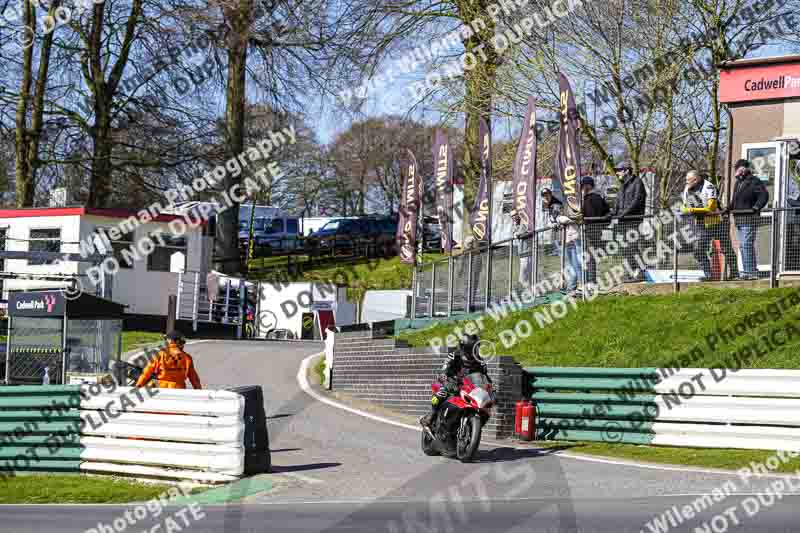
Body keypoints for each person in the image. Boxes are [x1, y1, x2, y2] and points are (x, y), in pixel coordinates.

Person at [420, 335, 487, 431]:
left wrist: (490, 386)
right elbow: (444, 369)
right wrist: (445, 378)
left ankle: (472, 427)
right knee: (441, 394)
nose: (475, 350)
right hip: (452, 382)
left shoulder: (479, 360)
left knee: (484, 403)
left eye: (476, 347)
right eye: (473, 348)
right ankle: (431, 415)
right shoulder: (454, 355)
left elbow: (484, 377)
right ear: (465, 347)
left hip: (468, 386)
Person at [680, 170, 738, 281]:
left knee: (726, 248)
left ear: (696, 179)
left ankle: (734, 273)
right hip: (701, 223)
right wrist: (688, 210)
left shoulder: (709, 187)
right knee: (699, 250)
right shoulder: (687, 189)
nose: (686, 182)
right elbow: (684, 206)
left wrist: (692, 210)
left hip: (717, 221)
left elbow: (711, 207)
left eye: (689, 180)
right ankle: (708, 275)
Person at [730, 159, 769, 280]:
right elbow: (734, 200)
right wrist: (728, 208)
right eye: (736, 168)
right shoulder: (738, 183)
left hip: (749, 218)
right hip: (739, 219)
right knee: (742, 246)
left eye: (739, 168)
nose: (737, 170)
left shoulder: (754, 181)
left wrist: (756, 207)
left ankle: (752, 272)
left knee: (746, 244)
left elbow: (764, 195)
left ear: (745, 169)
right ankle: (747, 272)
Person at [612, 163, 648, 281]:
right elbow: (617, 203)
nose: (617, 172)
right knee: (625, 249)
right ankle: (632, 272)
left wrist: (623, 214)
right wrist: (612, 214)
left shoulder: (637, 182)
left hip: (633, 221)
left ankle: (641, 272)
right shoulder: (622, 185)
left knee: (632, 247)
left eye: (619, 170)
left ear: (627, 170)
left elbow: (637, 201)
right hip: (622, 222)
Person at [135, 330, 203, 389]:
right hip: (179, 390)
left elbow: (147, 372)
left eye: (167, 340)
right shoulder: (187, 358)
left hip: (161, 389)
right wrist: (199, 391)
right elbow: (194, 378)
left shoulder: (160, 355)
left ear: (171, 341)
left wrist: (138, 386)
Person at [580, 176, 610, 287]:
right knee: (590, 256)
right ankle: (589, 280)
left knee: (589, 256)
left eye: (583, 186)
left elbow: (588, 214)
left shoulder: (589, 198)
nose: (582, 188)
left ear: (588, 186)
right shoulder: (599, 197)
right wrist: (602, 225)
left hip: (590, 229)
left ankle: (591, 281)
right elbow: (607, 213)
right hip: (597, 229)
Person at [511, 210, 533, 287]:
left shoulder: (525, 222)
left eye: (515, 215)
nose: (513, 217)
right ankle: (525, 288)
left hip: (528, 251)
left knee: (525, 273)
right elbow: (514, 234)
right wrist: (516, 233)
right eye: (512, 216)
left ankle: (525, 288)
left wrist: (519, 234)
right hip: (521, 252)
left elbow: (530, 232)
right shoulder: (515, 225)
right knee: (524, 273)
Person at [541, 188, 563, 256]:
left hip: (560, 226)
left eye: (547, 195)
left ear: (550, 195)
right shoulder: (546, 203)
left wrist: (553, 223)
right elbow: (546, 213)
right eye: (544, 195)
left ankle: (561, 252)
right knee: (554, 239)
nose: (545, 197)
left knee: (559, 240)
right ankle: (557, 251)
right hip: (554, 225)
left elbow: (557, 216)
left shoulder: (555, 203)